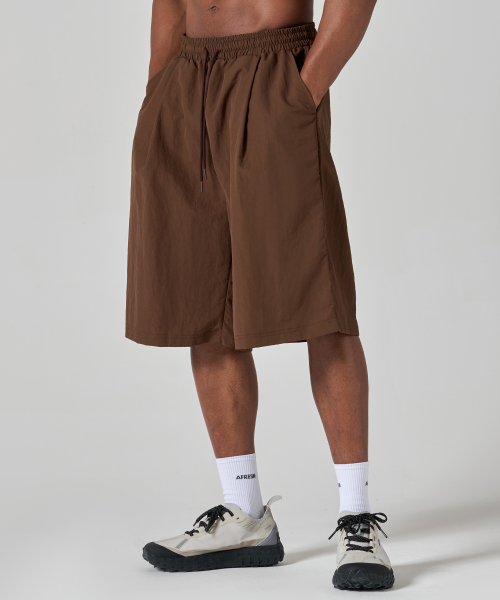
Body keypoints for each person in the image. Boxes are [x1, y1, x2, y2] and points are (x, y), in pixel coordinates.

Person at [126, 0, 394, 590]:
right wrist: (158, 90)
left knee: (321, 303)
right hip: (185, 82)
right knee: (202, 306)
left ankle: (357, 519)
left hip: (274, 72)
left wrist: (301, 93)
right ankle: (244, 514)